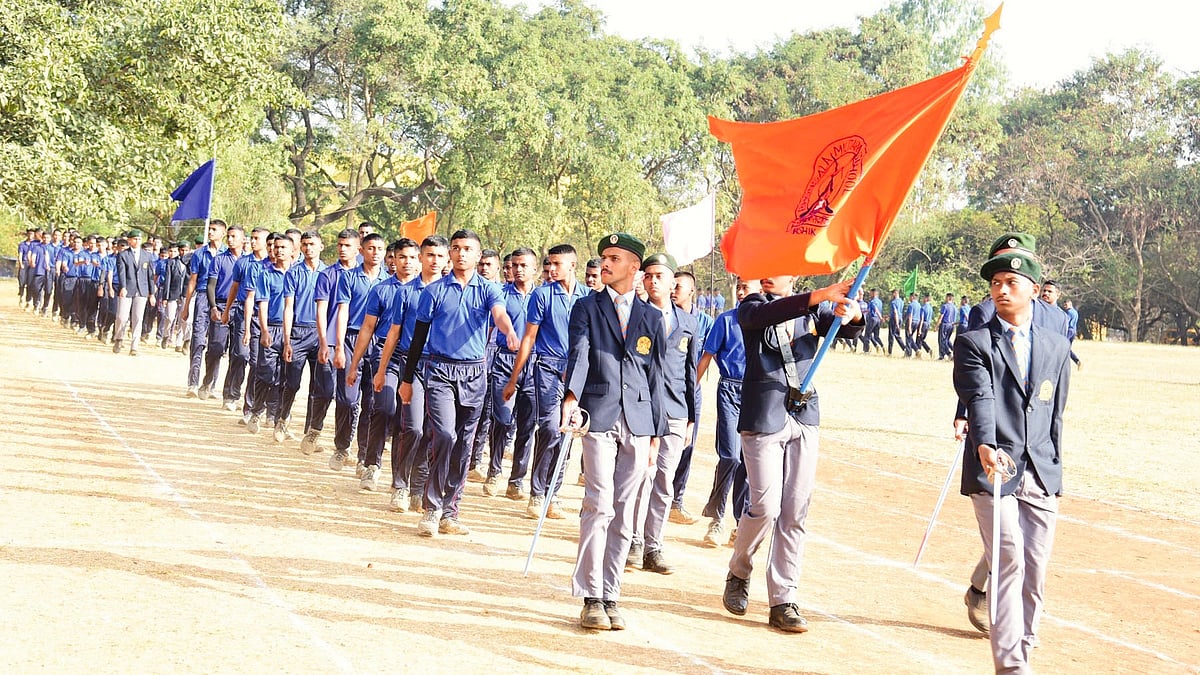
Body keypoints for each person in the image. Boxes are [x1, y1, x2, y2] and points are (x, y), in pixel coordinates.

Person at [720, 274, 862, 633]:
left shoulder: (814, 312)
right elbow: (764, 317)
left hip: (803, 414)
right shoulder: (753, 305)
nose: (768, 272)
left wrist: (854, 314)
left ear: (795, 275)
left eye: (779, 266)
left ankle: (783, 599)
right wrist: (819, 295)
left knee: (796, 509)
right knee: (765, 507)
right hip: (764, 417)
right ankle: (739, 569)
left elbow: (847, 329)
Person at [954, 242, 1071, 674]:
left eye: (1011, 283)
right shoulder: (973, 342)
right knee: (1008, 561)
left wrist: (1055, 472)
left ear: (1035, 290)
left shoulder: (1057, 346)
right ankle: (1012, 666)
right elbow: (979, 397)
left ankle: (1024, 642)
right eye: (995, 284)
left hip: (1041, 472)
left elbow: (1055, 412)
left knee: (1035, 571)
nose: (1001, 290)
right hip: (994, 471)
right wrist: (984, 444)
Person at [561, 232, 667, 631]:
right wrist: (572, 397)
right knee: (599, 503)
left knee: (626, 514)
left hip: (639, 423)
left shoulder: (653, 318)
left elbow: (656, 378)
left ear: (634, 267)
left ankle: (611, 594)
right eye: (603, 257)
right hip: (599, 416)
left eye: (614, 258)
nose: (604, 264)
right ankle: (590, 596)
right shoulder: (587, 308)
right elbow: (581, 354)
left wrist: (656, 434)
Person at [399, 229, 519, 537]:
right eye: (456, 248)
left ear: (479, 256)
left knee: (464, 443)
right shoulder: (434, 291)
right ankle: (431, 508)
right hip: (438, 370)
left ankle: (450, 511)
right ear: (450, 254)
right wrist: (407, 378)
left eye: (467, 249)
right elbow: (418, 339)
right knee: (445, 435)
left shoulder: (489, 290)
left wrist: (509, 332)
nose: (461, 253)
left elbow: (500, 314)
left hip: (474, 374)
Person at [502, 244, 590, 513]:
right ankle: (537, 492)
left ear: (572, 265)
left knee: (567, 432)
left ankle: (553, 492)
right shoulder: (542, 295)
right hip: (547, 369)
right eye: (548, 263)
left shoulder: (588, 298)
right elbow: (529, 338)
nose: (550, 269)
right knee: (551, 428)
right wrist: (514, 377)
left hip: (578, 371)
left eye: (557, 264)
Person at [628, 253, 699, 575]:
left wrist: (691, 419)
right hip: (641, 410)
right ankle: (632, 541)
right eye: (649, 275)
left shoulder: (688, 323)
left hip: (674, 411)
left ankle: (653, 546)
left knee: (664, 482)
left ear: (673, 282)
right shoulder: (633, 316)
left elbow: (690, 374)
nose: (653, 281)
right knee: (639, 478)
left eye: (660, 276)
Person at [375, 235, 449, 513]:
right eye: (429, 255)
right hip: (411, 365)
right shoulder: (406, 293)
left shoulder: (450, 291)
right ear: (421, 258)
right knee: (413, 427)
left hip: (441, 368)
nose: (435, 261)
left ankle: (419, 488)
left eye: (440, 256)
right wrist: (382, 370)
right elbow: (393, 333)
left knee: (433, 432)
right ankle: (400, 485)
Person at [346, 238, 420, 490]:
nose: (407, 262)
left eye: (411, 257)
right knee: (384, 408)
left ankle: (400, 478)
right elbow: (367, 328)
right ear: (393, 260)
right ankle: (371, 464)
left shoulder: (427, 292)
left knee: (406, 419)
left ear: (418, 259)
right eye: (402, 257)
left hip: (417, 360)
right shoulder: (381, 290)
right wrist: (354, 364)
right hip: (386, 357)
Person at [696, 277, 760, 548]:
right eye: (740, 287)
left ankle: (739, 522)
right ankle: (717, 518)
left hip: (757, 394)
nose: (743, 292)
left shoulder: (765, 320)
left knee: (748, 463)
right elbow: (706, 358)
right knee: (730, 456)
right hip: (730, 391)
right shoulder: (725, 320)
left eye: (748, 287)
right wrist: (690, 392)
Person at [482, 247, 537, 498]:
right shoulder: (501, 294)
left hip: (536, 364)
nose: (518, 269)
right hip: (505, 360)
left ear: (534, 269)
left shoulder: (543, 296)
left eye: (524, 265)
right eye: (515, 265)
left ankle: (517, 480)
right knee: (502, 419)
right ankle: (494, 471)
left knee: (527, 424)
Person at [329, 233, 387, 471]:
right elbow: (342, 311)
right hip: (352, 338)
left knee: (372, 402)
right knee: (348, 399)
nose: (375, 252)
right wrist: (339, 346)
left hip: (378, 342)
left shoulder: (389, 281)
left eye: (379, 248)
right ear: (361, 250)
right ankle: (342, 446)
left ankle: (364, 455)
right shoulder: (349, 278)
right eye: (370, 248)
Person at [667, 270, 713, 526]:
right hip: (666, 388)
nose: (674, 290)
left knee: (687, 446)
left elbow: (710, 354)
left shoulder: (705, 321)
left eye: (679, 286)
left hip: (690, 389)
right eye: (671, 285)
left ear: (692, 291)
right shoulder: (663, 315)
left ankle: (676, 501)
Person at [280, 230, 327, 451]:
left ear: (321, 246)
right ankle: (282, 418)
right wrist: (287, 340)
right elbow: (288, 307)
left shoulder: (329, 273)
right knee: (292, 383)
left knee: (318, 387)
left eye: (312, 244)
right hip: (298, 333)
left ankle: (310, 433)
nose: (308, 248)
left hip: (320, 335)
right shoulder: (293, 272)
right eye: (305, 244)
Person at [245, 234, 295, 434]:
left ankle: (276, 417)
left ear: (292, 250)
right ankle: (256, 410)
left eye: (283, 247)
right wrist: (264, 330)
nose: (279, 250)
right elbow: (262, 304)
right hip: (271, 327)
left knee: (284, 377)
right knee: (265, 373)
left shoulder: (296, 273)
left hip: (291, 331)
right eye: (276, 247)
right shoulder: (266, 274)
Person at [222, 227, 270, 412]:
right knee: (240, 354)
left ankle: (250, 404)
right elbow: (234, 288)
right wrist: (227, 310)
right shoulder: (243, 263)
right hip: (243, 312)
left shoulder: (270, 264)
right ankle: (231, 394)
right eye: (252, 238)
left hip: (263, 315)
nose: (253, 241)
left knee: (256, 362)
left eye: (257, 238)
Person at [182, 220, 227, 396]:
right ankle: (192, 382)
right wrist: (186, 306)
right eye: (210, 229)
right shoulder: (200, 254)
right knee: (198, 340)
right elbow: (192, 280)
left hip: (221, 299)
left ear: (222, 232)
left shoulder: (228, 254)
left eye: (214, 230)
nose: (210, 233)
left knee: (217, 344)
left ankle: (211, 384)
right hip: (202, 297)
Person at [113, 231, 157, 356]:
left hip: (142, 290)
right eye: (134, 239)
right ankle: (119, 338)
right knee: (122, 316)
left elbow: (149, 275)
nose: (137, 241)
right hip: (127, 288)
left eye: (139, 239)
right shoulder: (123, 255)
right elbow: (121, 272)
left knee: (138, 318)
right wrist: (123, 287)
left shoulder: (147, 255)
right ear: (129, 240)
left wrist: (151, 293)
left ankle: (134, 346)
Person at [938, 292, 957, 360]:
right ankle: (953, 351)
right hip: (951, 325)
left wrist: (937, 325)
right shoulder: (955, 307)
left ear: (948, 298)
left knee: (942, 340)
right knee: (947, 340)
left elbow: (941, 316)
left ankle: (944, 354)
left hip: (945, 324)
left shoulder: (945, 306)